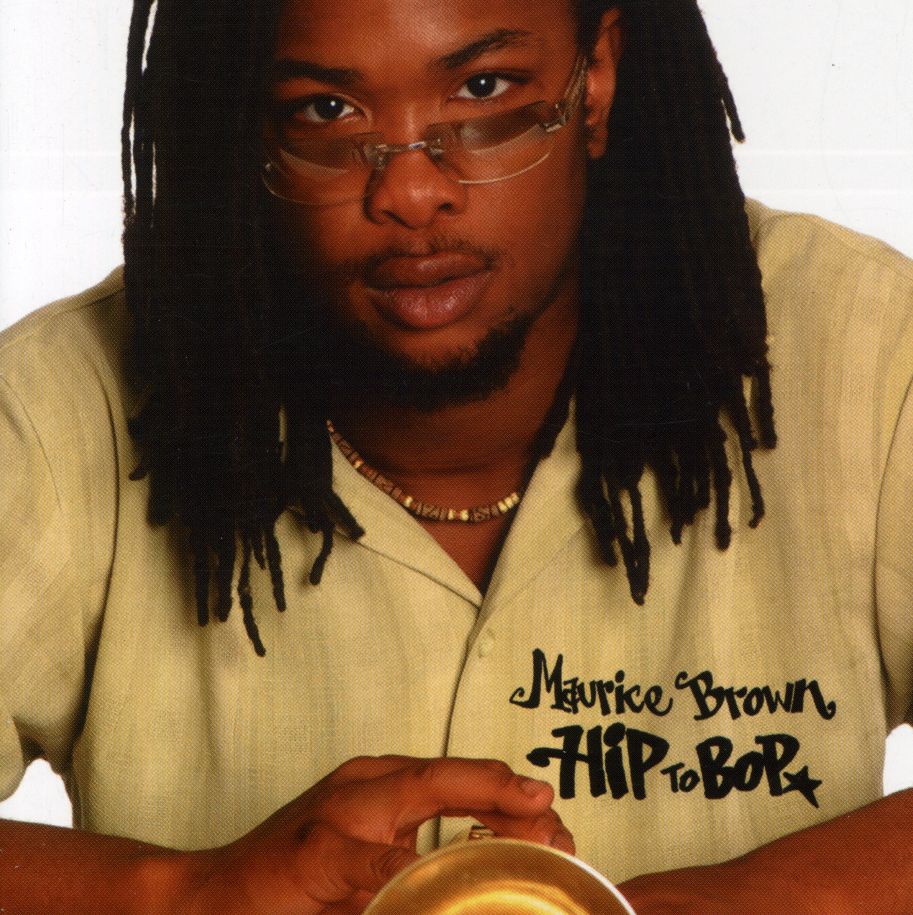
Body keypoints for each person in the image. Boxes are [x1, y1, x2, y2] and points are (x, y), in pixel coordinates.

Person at [1, 0, 912, 911]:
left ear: (594, 79)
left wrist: (748, 899)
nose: (409, 193)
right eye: (325, 110)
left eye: (482, 89)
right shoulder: (58, 404)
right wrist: (184, 894)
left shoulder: (866, 346)